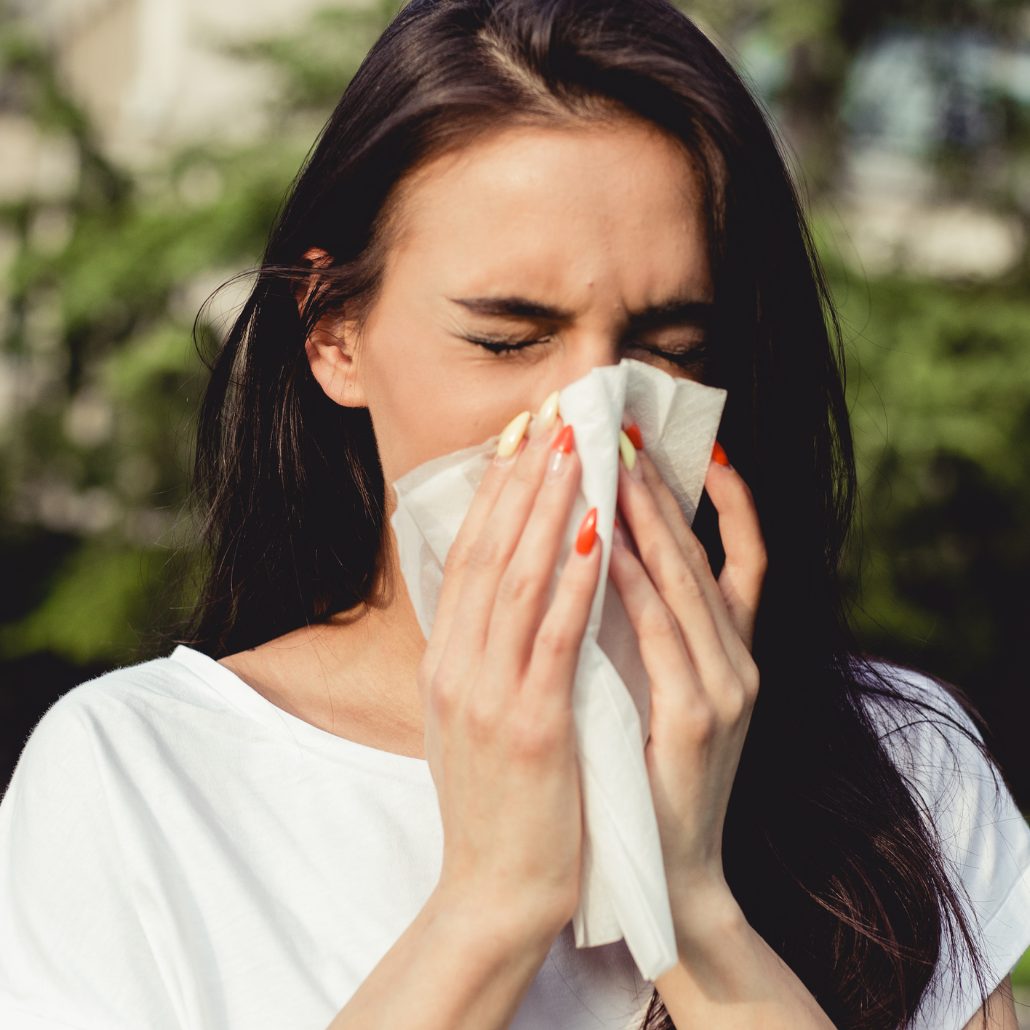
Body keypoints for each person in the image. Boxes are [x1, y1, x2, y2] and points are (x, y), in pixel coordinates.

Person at [2, 0, 1028, 1027]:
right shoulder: (136, 780)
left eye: (667, 348)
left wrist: (688, 901)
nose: (592, 422)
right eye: (506, 340)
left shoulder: (898, 768)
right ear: (333, 335)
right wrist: (489, 905)